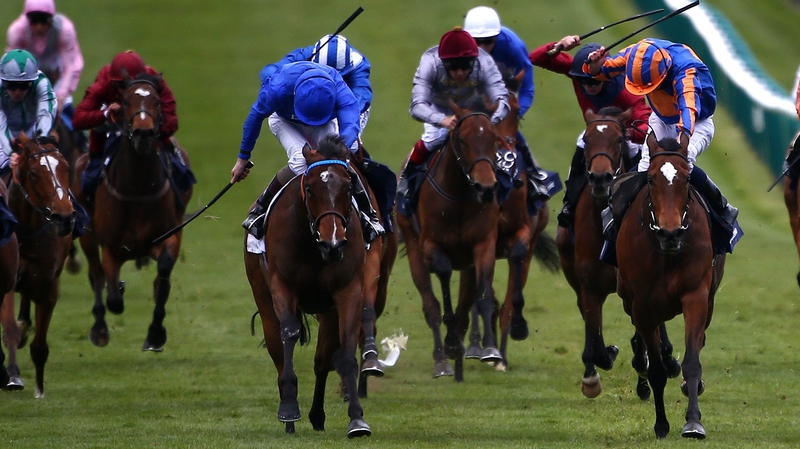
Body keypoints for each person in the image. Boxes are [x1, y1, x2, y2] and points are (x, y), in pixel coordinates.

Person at [584, 38, 738, 227]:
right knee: (646, 165)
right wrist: (594, 67)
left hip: (697, 121)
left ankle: (721, 207)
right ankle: (617, 211)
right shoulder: (636, 53)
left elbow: (688, 111)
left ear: (664, 74)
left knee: (682, 160)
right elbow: (604, 71)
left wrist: (682, 142)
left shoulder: (687, 73)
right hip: (662, 116)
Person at [231, 61, 384, 242]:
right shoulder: (277, 89)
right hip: (284, 119)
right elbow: (254, 118)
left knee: (339, 162)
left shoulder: (340, 89)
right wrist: (243, 158)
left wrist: (341, 147)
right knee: (299, 160)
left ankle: (369, 215)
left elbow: (351, 124)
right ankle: (260, 210)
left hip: (324, 121)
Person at [529, 35, 651, 228]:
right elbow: (536, 58)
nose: (588, 87)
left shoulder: (628, 93)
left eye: (594, 82)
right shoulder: (581, 71)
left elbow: (647, 125)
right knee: (581, 143)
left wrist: (625, 134)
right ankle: (570, 203)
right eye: (583, 82)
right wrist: (559, 45)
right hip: (596, 134)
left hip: (624, 136)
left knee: (639, 155)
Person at [398, 27, 509, 213]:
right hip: (439, 109)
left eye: (466, 67)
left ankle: (509, 187)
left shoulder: (484, 62)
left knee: (486, 142)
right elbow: (417, 105)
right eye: (453, 67)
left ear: (474, 61)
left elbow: (502, 100)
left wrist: (490, 120)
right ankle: (407, 183)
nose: (459, 73)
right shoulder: (429, 63)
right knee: (433, 139)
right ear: (443, 63)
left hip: (475, 110)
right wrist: (442, 120)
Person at [72, 50, 194, 202]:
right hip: (110, 124)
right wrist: (105, 115)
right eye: (120, 86)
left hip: (146, 128)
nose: (124, 92)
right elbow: (78, 119)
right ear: (113, 81)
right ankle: (88, 206)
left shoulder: (154, 81)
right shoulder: (103, 82)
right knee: (87, 180)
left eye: (128, 85)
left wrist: (154, 132)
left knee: (181, 170)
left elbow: (171, 119)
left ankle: (179, 201)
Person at [463, 6, 550, 202]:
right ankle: (410, 179)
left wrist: (513, 116)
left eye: (489, 41)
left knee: (511, 136)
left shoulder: (513, 47)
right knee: (437, 136)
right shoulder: (459, 48)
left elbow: (527, 88)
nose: (484, 47)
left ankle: (535, 177)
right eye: (478, 42)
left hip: (499, 96)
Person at [259, 34, 372, 152]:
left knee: (351, 146)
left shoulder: (358, 63)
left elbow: (361, 97)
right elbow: (269, 72)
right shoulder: (306, 55)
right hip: (313, 99)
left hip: (346, 104)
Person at [6, 0, 83, 120]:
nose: (39, 27)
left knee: (64, 110)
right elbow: (11, 65)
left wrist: (61, 96)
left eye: (44, 21)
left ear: (51, 18)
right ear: (27, 19)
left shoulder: (65, 30)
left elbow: (70, 67)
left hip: (57, 67)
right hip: (28, 65)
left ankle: (79, 135)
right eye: (34, 21)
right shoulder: (17, 31)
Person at [0, 49, 56, 174]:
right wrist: (12, 153)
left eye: (24, 85)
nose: (18, 92)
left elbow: (45, 114)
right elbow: (1, 125)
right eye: (11, 85)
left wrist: (40, 141)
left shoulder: (42, 83)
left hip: (32, 131)